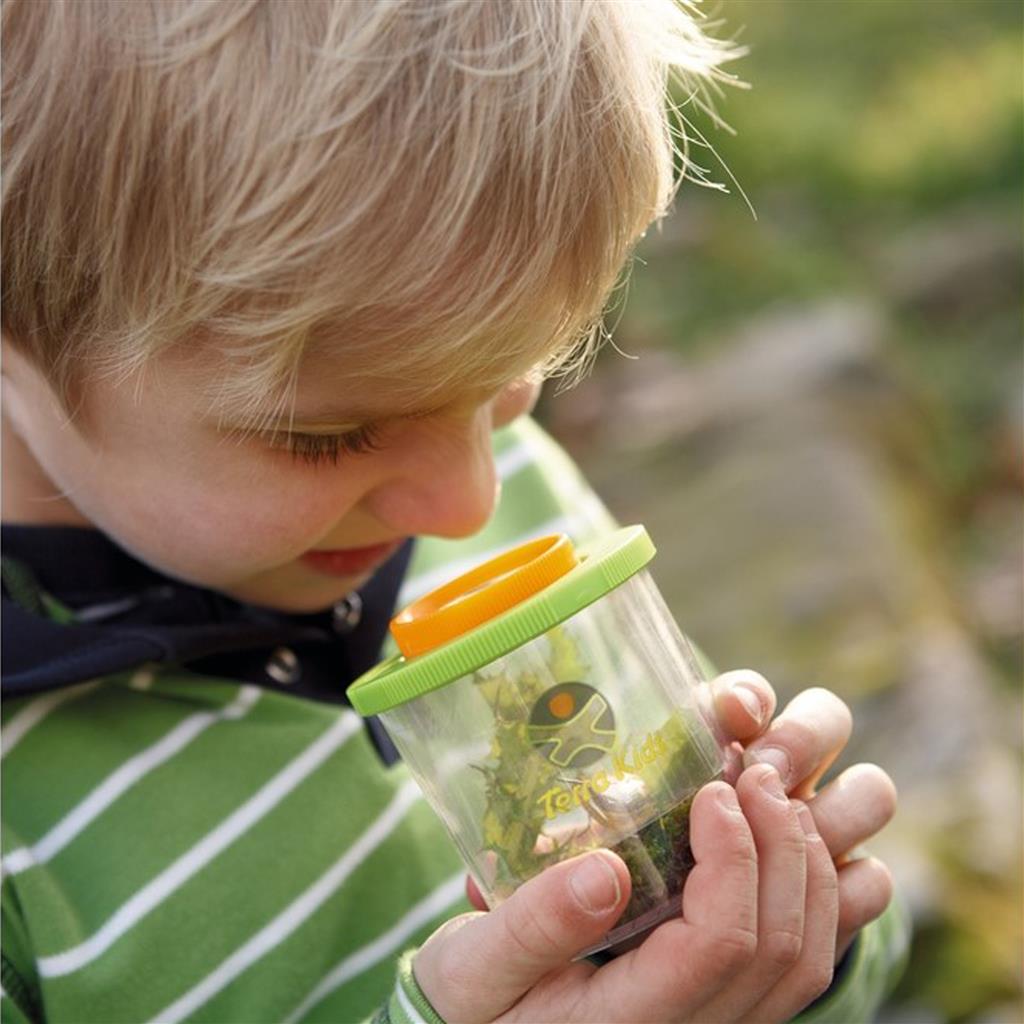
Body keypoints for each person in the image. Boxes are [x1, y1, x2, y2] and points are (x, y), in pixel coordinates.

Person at [0, 2, 908, 1022]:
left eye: (517, 376)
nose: (470, 496)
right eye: (326, 438)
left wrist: (778, 946)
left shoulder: (511, 487)